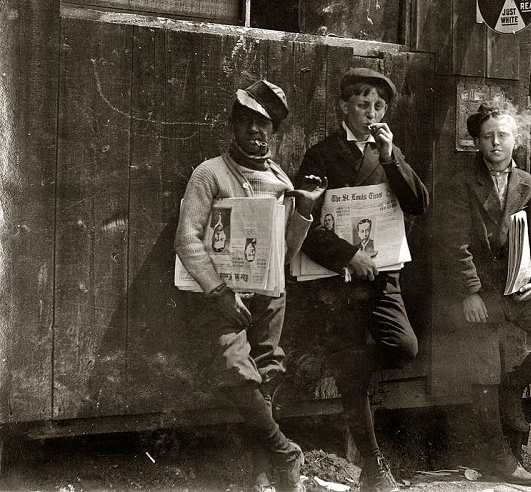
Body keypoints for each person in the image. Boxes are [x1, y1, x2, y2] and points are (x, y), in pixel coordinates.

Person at [175, 80, 327, 492]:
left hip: (269, 295)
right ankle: (285, 452)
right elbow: (187, 239)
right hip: (222, 298)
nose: (255, 132)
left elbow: (285, 251)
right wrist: (220, 293)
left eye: (263, 126)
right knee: (236, 369)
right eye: (246, 123)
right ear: (232, 126)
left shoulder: (280, 180)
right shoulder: (209, 174)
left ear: (274, 133)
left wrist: (305, 210)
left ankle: (263, 471)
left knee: (270, 371)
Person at [295, 67, 429, 492]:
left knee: (402, 347)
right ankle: (374, 467)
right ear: (343, 107)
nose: (371, 113)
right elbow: (304, 228)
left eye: (379, 106)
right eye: (362, 105)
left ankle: (331, 360)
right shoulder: (320, 155)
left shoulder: (387, 152)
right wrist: (349, 256)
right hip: (337, 282)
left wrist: (391, 158)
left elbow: (418, 204)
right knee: (355, 381)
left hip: (382, 278)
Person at [437, 102, 531, 486]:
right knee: (484, 370)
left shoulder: (530, 185)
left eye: (503, 135)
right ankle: (499, 457)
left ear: (517, 139)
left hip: (520, 291)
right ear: (478, 143)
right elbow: (454, 245)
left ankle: (514, 385)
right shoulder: (461, 184)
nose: (496, 142)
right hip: (481, 295)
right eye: (487, 136)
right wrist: (470, 293)